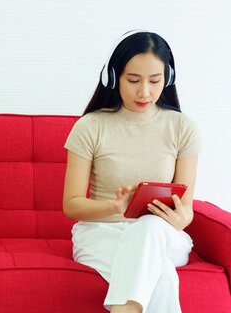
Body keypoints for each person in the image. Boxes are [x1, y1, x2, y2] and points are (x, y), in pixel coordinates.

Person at [62, 30, 201, 313]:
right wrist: (114, 207)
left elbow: (186, 210)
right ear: (113, 78)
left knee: (148, 228)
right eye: (134, 80)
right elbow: (71, 206)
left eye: (155, 81)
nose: (145, 92)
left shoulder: (183, 128)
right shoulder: (90, 127)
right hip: (101, 233)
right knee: (159, 272)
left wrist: (178, 217)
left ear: (168, 78)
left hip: (163, 234)